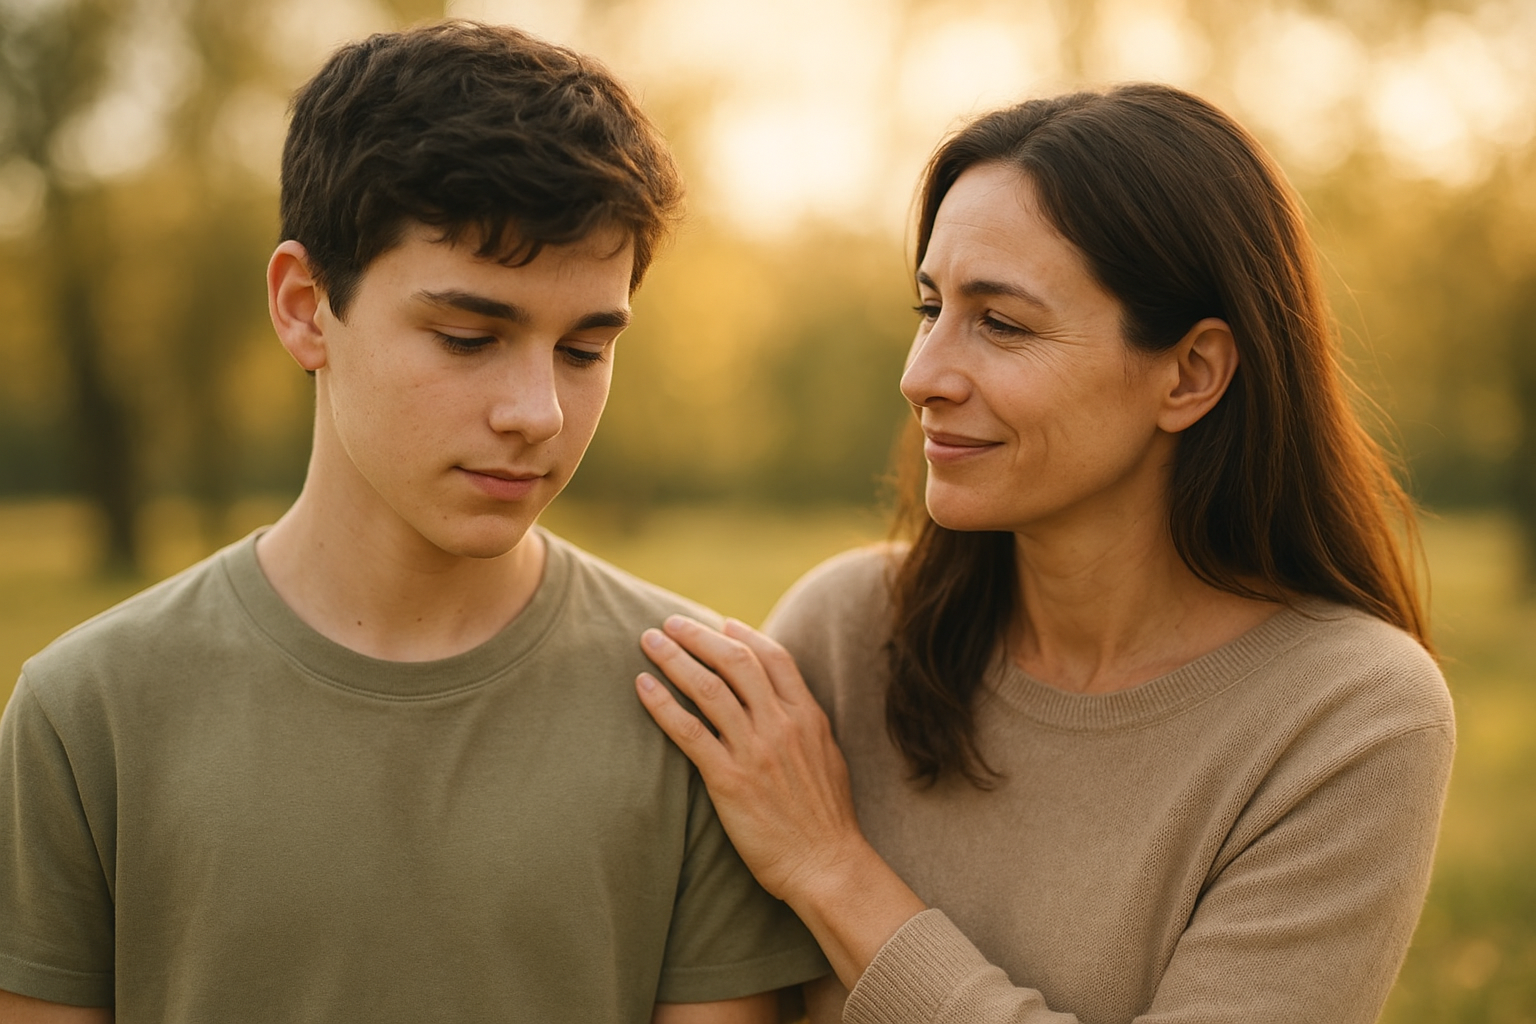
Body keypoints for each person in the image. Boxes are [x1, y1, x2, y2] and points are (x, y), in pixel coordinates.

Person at [0, 21, 827, 1023]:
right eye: (470, 337)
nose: (538, 412)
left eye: (583, 349)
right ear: (306, 307)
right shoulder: (86, 716)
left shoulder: (699, 715)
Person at [636, 83, 1454, 1023]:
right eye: (930, 307)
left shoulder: (1349, 719)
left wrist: (831, 869)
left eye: (1003, 324)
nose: (922, 376)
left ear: (1190, 373)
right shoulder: (847, 634)